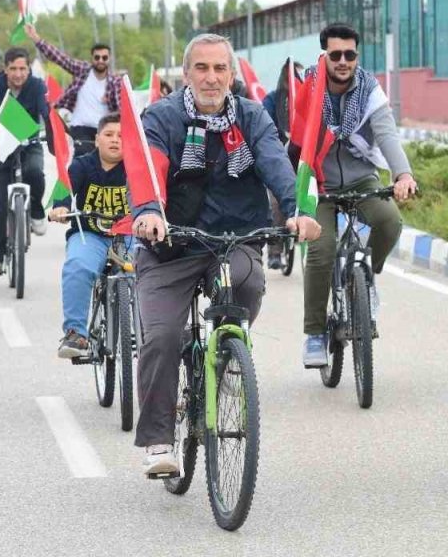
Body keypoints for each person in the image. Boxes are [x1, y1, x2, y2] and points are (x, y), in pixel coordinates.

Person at [130, 34, 321, 476]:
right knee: (161, 338)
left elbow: (277, 165)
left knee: (248, 283)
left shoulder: (253, 118)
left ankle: (227, 355)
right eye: (202, 68)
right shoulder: (162, 116)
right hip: (171, 246)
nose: (211, 78)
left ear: (231, 75)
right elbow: (149, 170)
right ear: (186, 74)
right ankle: (159, 440)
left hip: (234, 240)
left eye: (220, 69)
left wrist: (298, 211)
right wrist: (147, 213)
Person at [301, 23, 417, 367]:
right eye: (335, 54)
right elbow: (291, 134)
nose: (343, 61)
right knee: (320, 253)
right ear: (324, 55)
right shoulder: (309, 87)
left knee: (389, 221)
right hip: (319, 185)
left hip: (361, 179)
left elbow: (386, 134)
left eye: (349, 55)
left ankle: (366, 279)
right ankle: (314, 334)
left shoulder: (369, 90)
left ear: (357, 56)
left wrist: (403, 174)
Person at [48, 114, 130, 358]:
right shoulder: (82, 165)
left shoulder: (135, 168)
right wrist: (61, 207)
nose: (115, 140)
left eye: (122, 136)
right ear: (96, 140)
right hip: (90, 234)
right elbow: (64, 188)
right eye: (108, 135)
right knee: (77, 266)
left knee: (145, 271)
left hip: (128, 234)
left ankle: (152, 332)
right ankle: (76, 333)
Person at [0, 46, 50, 276]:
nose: (18, 74)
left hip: (29, 143)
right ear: (5, 70)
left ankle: (36, 209)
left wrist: (52, 128)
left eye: (23, 69)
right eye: (13, 69)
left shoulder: (37, 86)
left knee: (35, 172)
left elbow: (45, 111)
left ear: (29, 69)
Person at [24, 22, 123, 154]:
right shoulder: (83, 71)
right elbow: (61, 59)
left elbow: (122, 109)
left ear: (109, 59)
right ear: (92, 58)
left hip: (104, 130)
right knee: (82, 160)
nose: (100, 60)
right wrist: (36, 38)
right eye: (97, 57)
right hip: (80, 129)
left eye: (104, 57)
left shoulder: (115, 82)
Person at [260, 60, 305, 269]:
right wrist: (281, 138)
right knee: (275, 204)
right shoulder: (271, 100)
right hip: (277, 158)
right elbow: (263, 128)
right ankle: (275, 252)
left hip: (302, 158)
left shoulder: (306, 99)